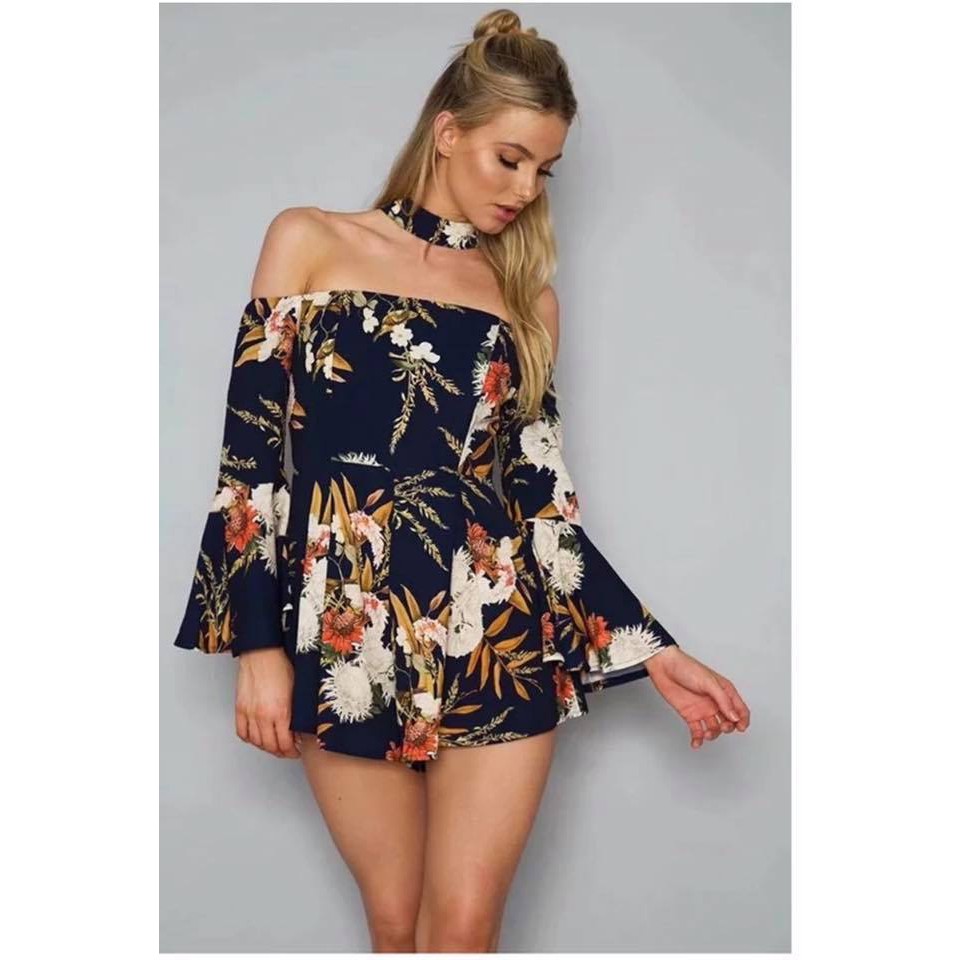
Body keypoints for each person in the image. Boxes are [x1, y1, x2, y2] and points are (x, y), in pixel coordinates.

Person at [171, 8, 750, 953]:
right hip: (349, 625)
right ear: (448, 132)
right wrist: (258, 648)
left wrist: (655, 652)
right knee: (396, 927)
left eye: (544, 171)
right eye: (509, 159)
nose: (525, 189)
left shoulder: (527, 304)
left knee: (466, 928)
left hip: (498, 630)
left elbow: (544, 510)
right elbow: (251, 464)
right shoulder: (308, 240)